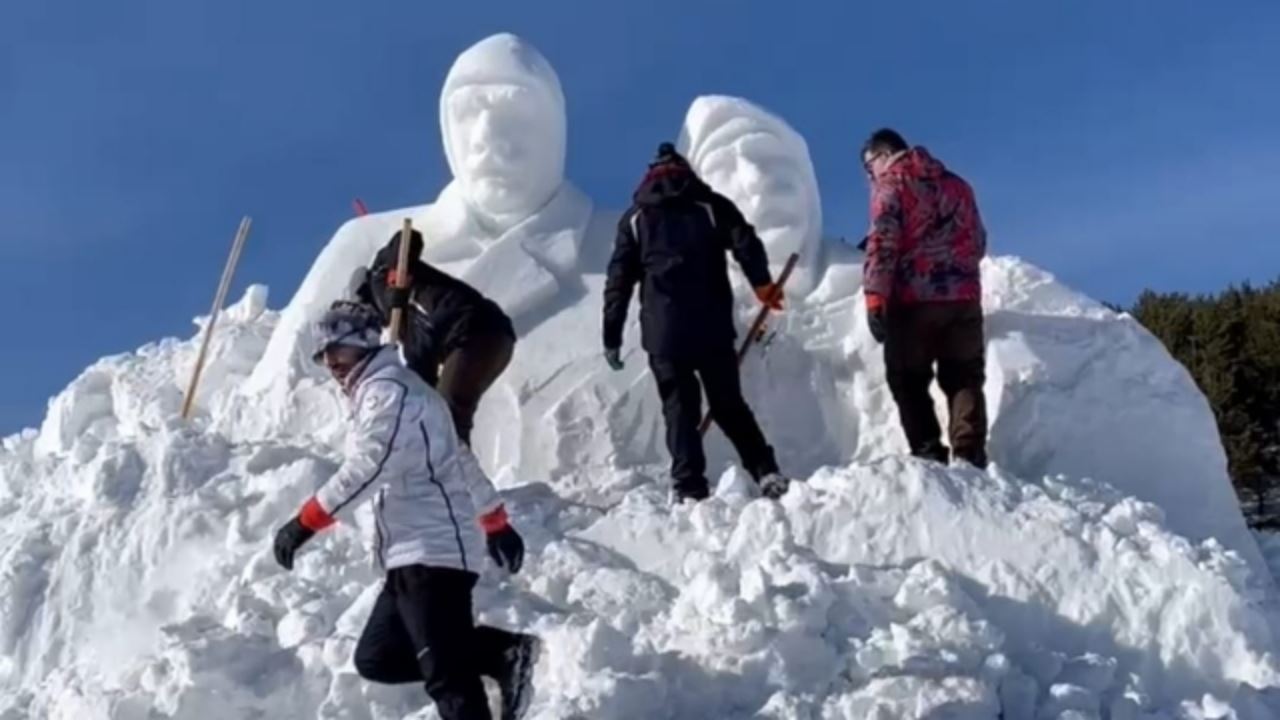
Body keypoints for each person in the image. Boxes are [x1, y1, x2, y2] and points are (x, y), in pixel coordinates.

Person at [272, 301, 539, 720]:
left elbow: (369, 466)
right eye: (324, 356)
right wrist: (494, 520)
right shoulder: (389, 393)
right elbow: (459, 459)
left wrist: (304, 523)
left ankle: (498, 656)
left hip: (431, 551)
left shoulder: (389, 393)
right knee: (377, 657)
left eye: (336, 350)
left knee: (447, 678)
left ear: (361, 343)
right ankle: (499, 652)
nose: (330, 363)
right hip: (405, 556)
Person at [602, 142, 790, 503]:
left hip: (664, 332)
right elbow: (745, 241)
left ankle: (689, 487)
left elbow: (618, 282)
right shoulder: (710, 205)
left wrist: (611, 334)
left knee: (679, 408)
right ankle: (766, 471)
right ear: (686, 172)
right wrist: (762, 283)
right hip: (712, 324)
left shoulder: (636, 220)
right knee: (728, 404)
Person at [860, 128, 989, 468]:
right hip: (963, 298)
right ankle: (969, 453)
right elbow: (978, 241)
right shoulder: (958, 185)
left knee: (907, 376)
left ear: (884, 155)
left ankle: (929, 454)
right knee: (964, 375)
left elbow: (883, 242)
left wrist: (875, 297)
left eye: (868, 165)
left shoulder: (891, 184)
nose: (869, 175)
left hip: (913, 299)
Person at [356, 228, 516, 446]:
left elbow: (407, 238)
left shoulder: (378, 274)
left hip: (475, 328)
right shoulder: (407, 332)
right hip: (489, 341)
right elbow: (423, 378)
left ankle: (459, 475)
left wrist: (394, 277)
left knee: (447, 413)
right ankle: (449, 471)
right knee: (438, 416)